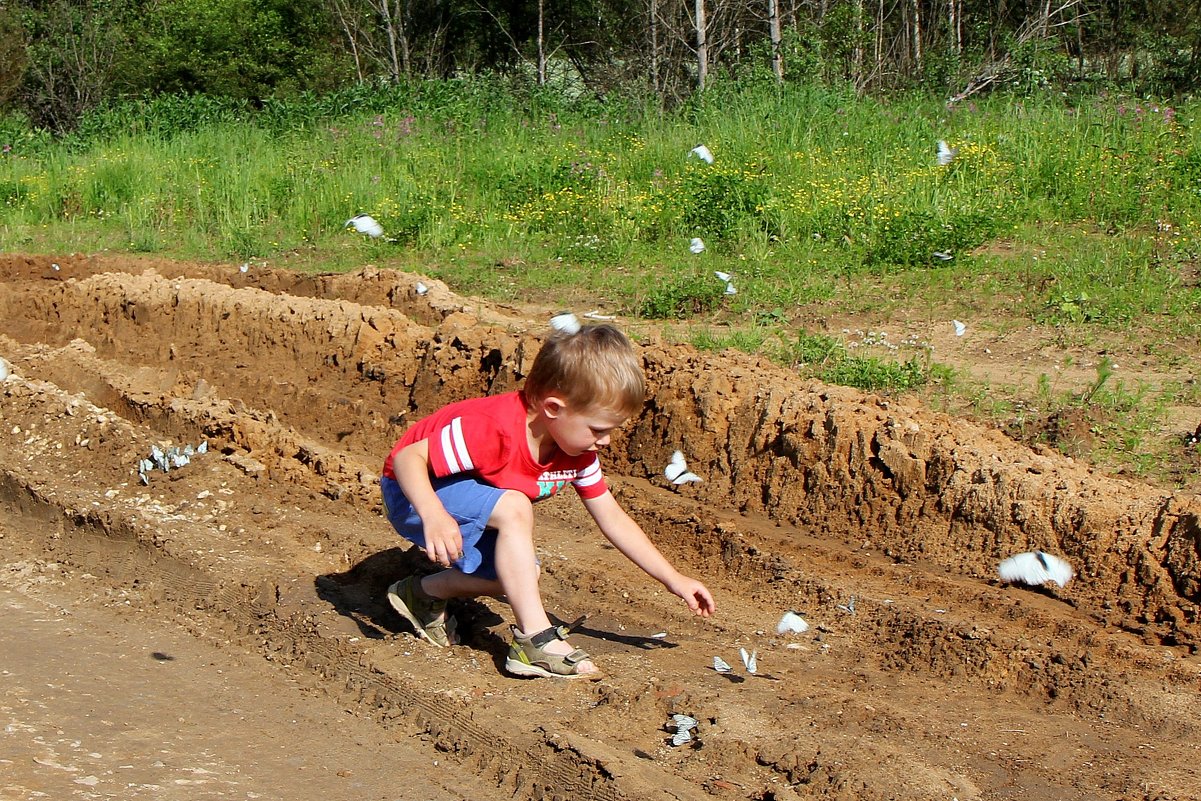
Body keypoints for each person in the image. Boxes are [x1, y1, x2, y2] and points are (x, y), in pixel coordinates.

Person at [379, 314, 715, 680]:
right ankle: (534, 642)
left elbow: (612, 517)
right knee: (514, 507)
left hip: (467, 504)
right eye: (598, 429)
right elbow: (407, 458)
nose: (606, 441)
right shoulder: (493, 429)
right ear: (553, 409)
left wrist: (673, 578)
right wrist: (433, 514)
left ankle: (423, 593)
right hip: (413, 494)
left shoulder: (578, 452)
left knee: (524, 577)